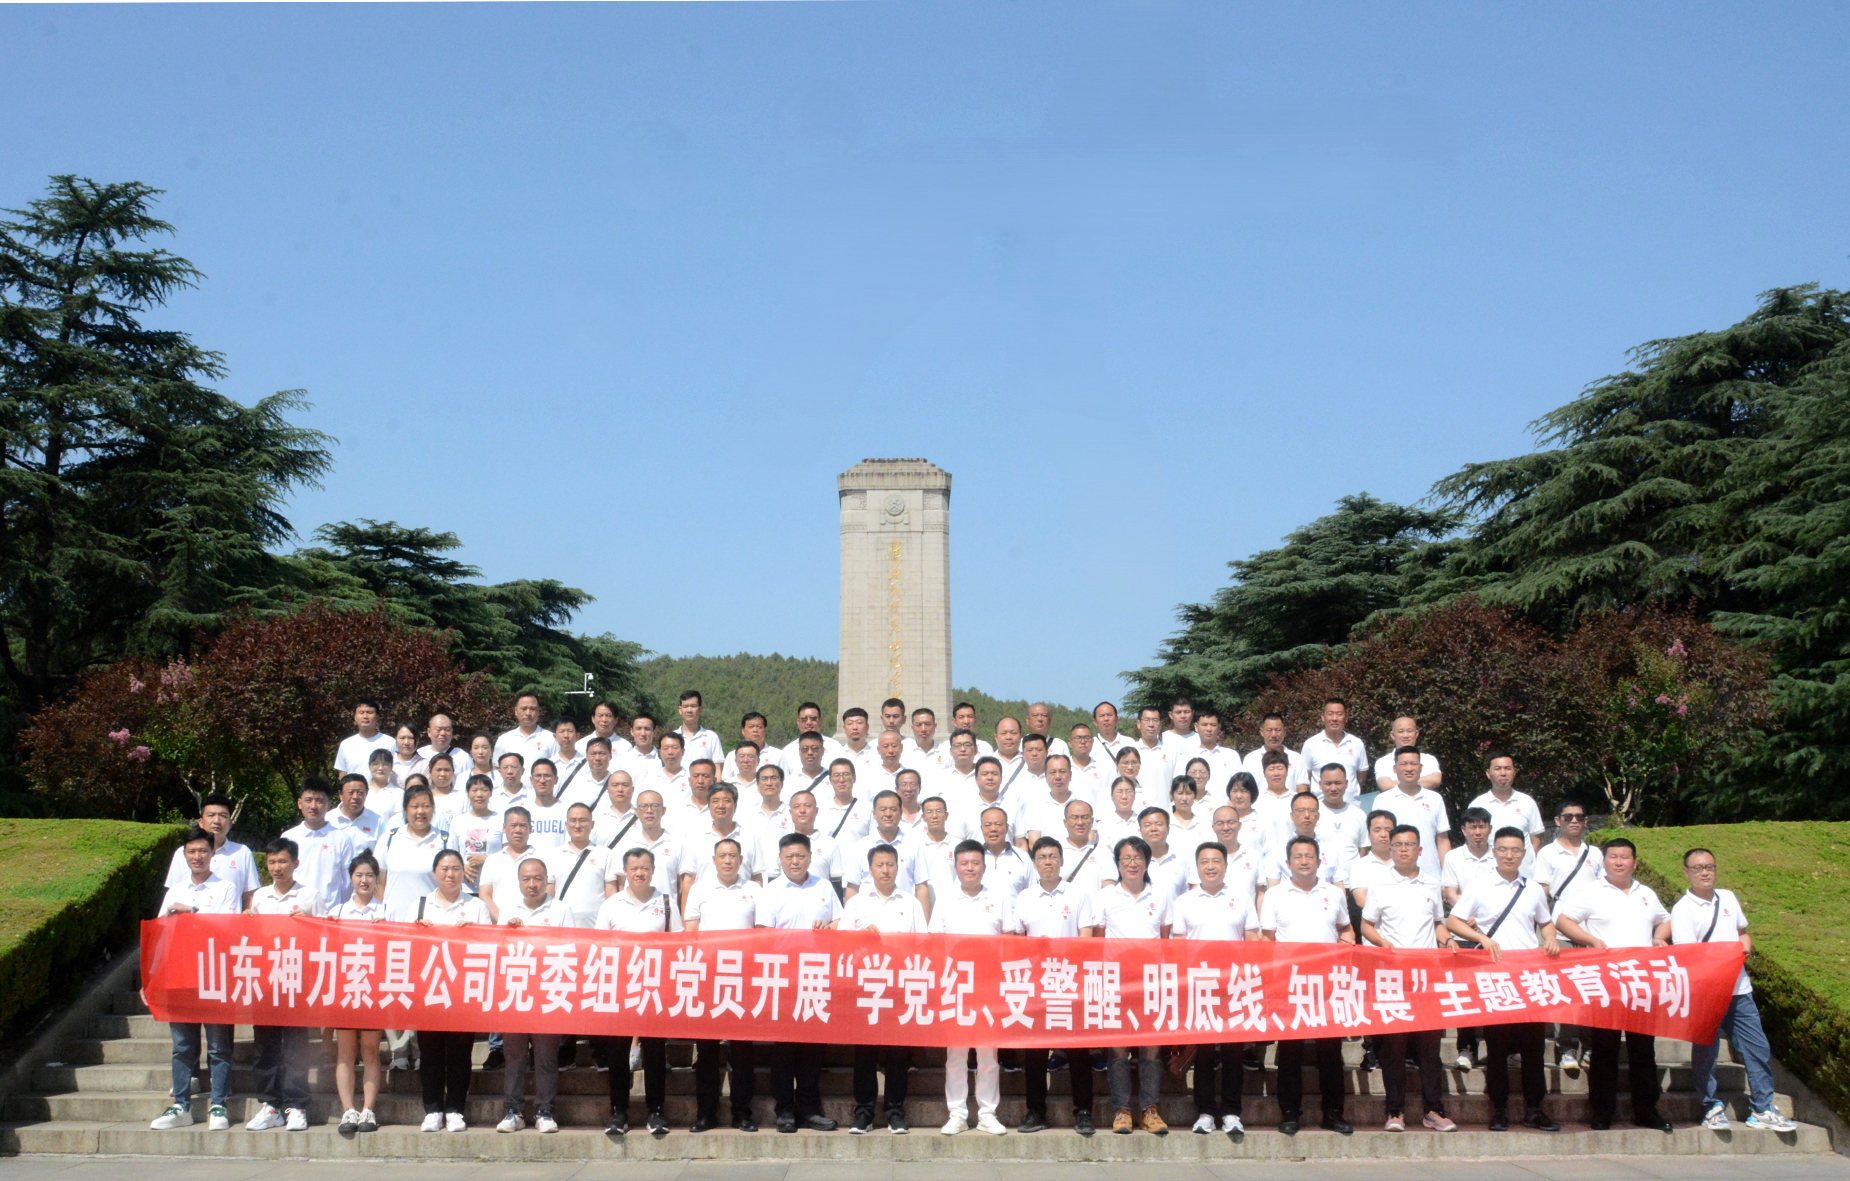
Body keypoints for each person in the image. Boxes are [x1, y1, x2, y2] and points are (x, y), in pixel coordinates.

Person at [1444, 827, 1562, 1133]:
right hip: (1494, 978)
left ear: (1524, 853)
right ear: (1494, 852)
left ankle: (1535, 1108)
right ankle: (1499, 1109)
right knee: (1496, 1047)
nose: (1509, 855)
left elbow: (1546, 923)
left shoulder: (1533, 889)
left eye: (1516, 850)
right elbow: (1454, 921)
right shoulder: (1480, 885)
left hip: (1528, 977)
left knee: (1533, 1048)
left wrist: (1550, 938)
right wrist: (1481, 938)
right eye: (1503, 849)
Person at [1552, 838, 1673, 1133]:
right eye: (1613, 857)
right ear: (1604, 862)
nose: (1619, 862)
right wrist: (1590, 940)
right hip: (1606, 985)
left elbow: (1666, 919)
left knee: (1643, 1051)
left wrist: (1659, 937)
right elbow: (1563, 920)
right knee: (1604, 1050)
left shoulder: (1646, 893)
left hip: (1641, 985)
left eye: (1625, 857)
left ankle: (1646, 1111)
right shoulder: (1591, 891)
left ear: (1635, 862)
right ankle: (1602, 1112)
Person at [1673, 848, 1798, 1132]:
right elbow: (1687, 955)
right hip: (1706, 993)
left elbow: (1742, 932)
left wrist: (1744, 948)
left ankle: (1763, 1108)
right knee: (1706, 1052)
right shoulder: (1683, 909)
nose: (1705, 872)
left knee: (1757, 1047)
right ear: (1686, 872)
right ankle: (1710, 1106)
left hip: (1739, 989)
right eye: (1698, 868)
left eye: (1710, 867)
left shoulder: (1727, 897)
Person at [1359, 825, 1458, 1133]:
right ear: (1391, 849)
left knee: (1430, 1050)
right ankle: (1395, 1111)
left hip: (1426, 979)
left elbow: (1438, 923)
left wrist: (1447, 940)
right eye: (1398, 844)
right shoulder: (1380, 884)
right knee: (1394, 1049)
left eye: (1410, 844)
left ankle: (1433, 1110)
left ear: (1420, 850)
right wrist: (1383, 944)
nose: (1403, 849)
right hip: (1392, 979)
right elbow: (1366, 925)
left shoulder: (1432, 883)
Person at [1259, 835, 1355, 1136]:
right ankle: (1290, 1112)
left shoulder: (1334, 894)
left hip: (1327, 985)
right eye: (1298, 856)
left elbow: (1346, 929)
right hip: (1290, 985)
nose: (1304, 861)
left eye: (1309, 856)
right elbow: (1267, 939)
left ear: (1319, 860)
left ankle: (1333, 1113)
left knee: (1330, 1051)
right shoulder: (1275, 895)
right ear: (1288, 863)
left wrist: (1345, 951)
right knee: (1290, 1052)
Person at [149, 828, 238, 1132]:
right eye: (191, 851)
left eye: (202, 851)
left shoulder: (226, 887)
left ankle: (218, 1104)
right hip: (180, 976)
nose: (197, 856)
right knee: (182, 1046)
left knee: (218, 1047)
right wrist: (151, 978)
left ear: (213, 854)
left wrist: (192, 911)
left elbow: (226, 927)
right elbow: (161, 936)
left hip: (214, 975)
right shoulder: (174, 891)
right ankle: (181, 1105)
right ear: (184, 855)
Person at [1174, 840, 1261, 1135]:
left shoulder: (1241, 898)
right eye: (1205, 862)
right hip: (1199, 984)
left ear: (1225, 865)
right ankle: (1206, 1112)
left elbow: (1252, 939)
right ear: (1196, 867)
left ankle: (1232, 1112)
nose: (1210, 867)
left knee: (1234, 1051)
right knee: (1204, 1052)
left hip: (1234, 984)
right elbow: (1178, 946)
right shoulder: (1184, 901)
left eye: (1216, 861)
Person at [593, 849, 682, 1137]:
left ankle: (656, 1111)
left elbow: (678, 943)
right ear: (625, 871)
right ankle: (619, 1111)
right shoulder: (611, 904)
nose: (639, 873)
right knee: (618, 1053)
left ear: (653, 870)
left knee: (655, 1052)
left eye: (645, 867)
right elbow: (600, 945)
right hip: (620, 988)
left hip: (655, 988)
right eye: (634, 868)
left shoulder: (666, 902)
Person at [757, 833, 840, 1133]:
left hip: (816, 976)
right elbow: (763, 934)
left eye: (801, 856)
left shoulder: (824, 886)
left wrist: (827, 927)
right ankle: (785, 1110)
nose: (795, 861)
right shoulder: (771, 891)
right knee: (784, 1049)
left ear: (810, 857)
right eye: (789, 856)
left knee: (812, 1048)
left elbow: (839, 923)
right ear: (780, 859)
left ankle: (809, 1109)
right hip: (783, 978)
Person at [1014, 836, 1097, 1135]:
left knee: (1077, 1050)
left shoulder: (1078, 894)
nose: (1047, 862)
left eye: (1052, 857)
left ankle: (1083, 1111)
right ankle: (1036, 1111)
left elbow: (1086, 939)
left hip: (1070, 980)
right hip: (1036, 983)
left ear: (1062, 861)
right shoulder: (1024, 897)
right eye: (1042, 857)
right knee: (1035, 1052)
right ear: (1034, 863)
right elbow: (1017, 941)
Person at [931, 840, 1014, 1136]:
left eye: (975, 863)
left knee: (988, 1053)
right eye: (964, 863)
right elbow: (934, 943)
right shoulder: (945, 900)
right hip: (955, 984)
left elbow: (1010, 941)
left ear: (984, 866)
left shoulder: (999, 898)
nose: (970, 868)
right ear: (956, 866)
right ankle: (957, 1113)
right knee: (956, 1054)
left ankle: (987, 1114)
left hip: (989, 984)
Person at [840, 842, 923, 1134]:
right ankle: (864, 1113)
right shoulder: (857, 903)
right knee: (865, 1054)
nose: (885, 870)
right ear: (870, 869)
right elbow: (840, 945)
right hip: (866, 988)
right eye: (879, 865)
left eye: (890, 864)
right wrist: (859, 937)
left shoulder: (910, 903)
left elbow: (923, 944)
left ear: (898, 867)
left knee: (898, 1055)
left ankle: (895, 1112)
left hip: (899, 987)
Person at [682, 836, 762, 1132]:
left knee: (742, 1051)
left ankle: (742, 1113)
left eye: (733, 856)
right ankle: (706, 1113)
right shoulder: (700, 888)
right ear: (714, 860)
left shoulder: (754, 890)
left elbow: (762, 933)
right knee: (706, 1051)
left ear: (741, 861)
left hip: (744, 978)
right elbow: (691, 932)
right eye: (722, 856)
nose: (728, 860)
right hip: (709, 978)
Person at [1095, 835, 1169, 1135]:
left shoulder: (1160, 895)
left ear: (1147, 862)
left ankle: (1150, 1109)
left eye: (1138, 858)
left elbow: (1166, 939)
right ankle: (1122, 1110)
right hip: (1116, 982)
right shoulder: (1105, 896)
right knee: (1118, 1051)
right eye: (1126, 858)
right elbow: (1097, 940)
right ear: (1117, 863)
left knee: (1151, 1050)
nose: (1132, 863)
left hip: (1151, 982)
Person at [244, 837, 320, 1132]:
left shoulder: (310, 895)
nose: (277, 867)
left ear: (295, 863)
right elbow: (251, 936)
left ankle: (297, 1105)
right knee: (265, 1046)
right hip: (265, 981)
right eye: (272, 862)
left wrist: (309, 922)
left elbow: (325, 937)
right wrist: (246, 920)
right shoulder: (260, 897)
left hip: (297, 981)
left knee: (297, 1046)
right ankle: (270, 1105)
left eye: (283, 861)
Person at [414, 850, 490, 1132]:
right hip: (429, 990)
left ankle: (456, 1108)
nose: (450, 874)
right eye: (445, 869)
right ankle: (433, 1109)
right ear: (434, 872)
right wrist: (419, 931)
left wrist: (473, 932)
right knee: (430, 1053)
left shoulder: (476, 906)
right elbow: (406, 945)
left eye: (456, 869)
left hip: (462, 991)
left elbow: (489, 945)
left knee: (460, 1053)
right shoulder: (420, 905)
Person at [496, 854, 567, 1134]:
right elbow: (497, 950)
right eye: (526, 879)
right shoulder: (508, 910)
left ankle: (545, 1110)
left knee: (546, 1057)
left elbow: (572, 948)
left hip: (549, 993)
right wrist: (509, 932)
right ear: (518, 882)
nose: (532, 884)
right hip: (516, 992)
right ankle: (513, 1110)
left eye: (538, 878)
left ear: (547, 880)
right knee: (514, 1055)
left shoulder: (560, 909)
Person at [1532, 797, 1603, 1074]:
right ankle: (1566, 1047)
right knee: (1567, 992)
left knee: (1592, 992)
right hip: (1561, 930)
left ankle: (1591, 1045)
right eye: (1568, 816)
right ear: (1558, 821)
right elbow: (1541, 894)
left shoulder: (1595, 854)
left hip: (1593, 931)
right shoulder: (1547, 854)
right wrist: (1545, 930)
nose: (1574, 821)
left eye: (1580, 817)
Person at [330, 851, 388, 1135]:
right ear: (351, 878)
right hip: (346, 989)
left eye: (369, 875)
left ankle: (368, 1109)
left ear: (377, 879)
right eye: (359, 875)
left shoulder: (387, 911)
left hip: (374, 990)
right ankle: (348, 1110)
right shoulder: (338, 911)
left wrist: (386, 931)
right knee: (345, 1053)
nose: (364, 880)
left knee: (371, 1051)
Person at [1440, 806, 1498, 1070]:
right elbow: (1450, 891)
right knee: (1467, 992)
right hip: (1462, 931)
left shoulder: (1499, 855)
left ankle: (1504, 1049)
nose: (1478, 831)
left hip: (1495, 933)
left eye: (1482, 826)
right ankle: (1466, 1048)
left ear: (1489, 828)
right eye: (1472, 826)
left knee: (1496, 991)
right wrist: (1467, 913)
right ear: (1463, 830)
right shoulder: (1454, 857)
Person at [162, 792, 258, 910]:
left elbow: (249, 896)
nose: (216, 821)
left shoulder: (242, 853)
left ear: (230, 823)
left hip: (228, 920)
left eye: (223, 815)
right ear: (201, 822)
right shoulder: (182, 853)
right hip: (186, 921)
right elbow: (173, 894)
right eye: (211, 815)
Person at [282, 777, 356, 914]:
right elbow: (282, 876)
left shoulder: (342, 839)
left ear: (329, 804)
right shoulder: (289, 837)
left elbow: (349, 883)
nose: (313, 806)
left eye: (320, 801)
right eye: (308, 800)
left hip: (329, 915)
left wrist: (337, 910)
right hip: (293, 913)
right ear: (299, 803)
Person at [1375, 747, 1451, 875]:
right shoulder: (1382, 800)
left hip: (1431, 874)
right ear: (1395, 769)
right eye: (1403, 764)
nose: (1409, 768)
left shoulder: (1435, 799)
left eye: (1413, 764)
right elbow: (1379, 842)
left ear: (1421, 768)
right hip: (1393, 875)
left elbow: (1442, 840)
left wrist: (1447, 875)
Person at [1468, 751, 1545, 864]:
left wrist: (1527, 864)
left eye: (1508, 768)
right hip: (1489, 870)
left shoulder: (1527, 802)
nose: (1503, 773)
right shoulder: (1477, 805)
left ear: (1514, 772)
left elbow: (1536, 839)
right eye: (1497, 769)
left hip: (1523, 871)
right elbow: (1472, 841)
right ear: (1488, 773)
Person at [842, 790, 912, 900]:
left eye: (893, 809)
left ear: (901, 813)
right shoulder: (860, 847)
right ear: (874, 814)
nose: (888, 814)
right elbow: (852, 888)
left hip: (904, 909)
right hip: (868, 910)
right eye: (883, 809)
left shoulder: (913, 845)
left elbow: (921, 886)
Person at [1300, 698, 1369, 800]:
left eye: (1339, 714)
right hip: (1320, 807)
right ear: (1323, 717)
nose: (1334, 718)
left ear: (1346, 718)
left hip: (1351, 805)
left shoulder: (1357, 743)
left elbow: (1361, 779)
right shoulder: (1310, 744)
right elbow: (1304, 779)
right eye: (1330, 714)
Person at [1369, 716, 1441, 792]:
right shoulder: (1383, 762)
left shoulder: (1429, 759)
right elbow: (1386, 786)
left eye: (1409, 731)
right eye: (1401, 731)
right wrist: (1423, 781)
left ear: (1416, 734)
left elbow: (1435, 780)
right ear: (1393, 735)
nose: (1406, 735)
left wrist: (1398, 784)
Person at [1239, 713, 1309, 792]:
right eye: (1269, 730)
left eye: (1278, 730)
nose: (1274, 735)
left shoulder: (1297, 758)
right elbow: (1246, 789)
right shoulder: (1250, 759)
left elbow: (1302, 790)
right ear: (1262, 732)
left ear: (1285, 731)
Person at [495, 692, 559, 770]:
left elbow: (557, 768)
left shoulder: (551, 739)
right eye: (524, 708)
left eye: (532, 709)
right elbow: (497, 769)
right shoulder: (504, 740)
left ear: (539, 711)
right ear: (516, 711)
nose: (528, 713)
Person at [334, 699, 396, 778]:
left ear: (377, 717)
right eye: (361, 712)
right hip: (355, 786)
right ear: (355, 717)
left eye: (370, 712)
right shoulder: (346, 744)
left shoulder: (390, 742)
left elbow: (396, 770)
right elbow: (342, 774)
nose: (365, 716)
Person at [333, 768, 386, 853]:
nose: (355, 797)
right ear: (340, 795)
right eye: (350, 793)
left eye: (360, 793)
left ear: (366, 794)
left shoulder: (378, 821)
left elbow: (381, 853)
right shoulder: (328, 819)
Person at [418, 713, 475, 785]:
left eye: (447, 730)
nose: (443, 733)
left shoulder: (463, 757)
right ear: (429, 732)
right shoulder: (420, 755)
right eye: (438, 729)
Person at [722, 711, 777, 781]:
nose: (755, 730)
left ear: (765, 730)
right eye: (751, 727)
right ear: (743, 731)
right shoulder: (732, 756)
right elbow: (726, 782)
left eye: (759, 727)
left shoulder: (777, 755)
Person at [675, 690, 723, 767]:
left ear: (700, 709)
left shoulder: (711, 737)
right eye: (685, 706)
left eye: (693, 706)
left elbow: (718, 768)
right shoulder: (672, 737)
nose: (689, 710)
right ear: (680, 710)